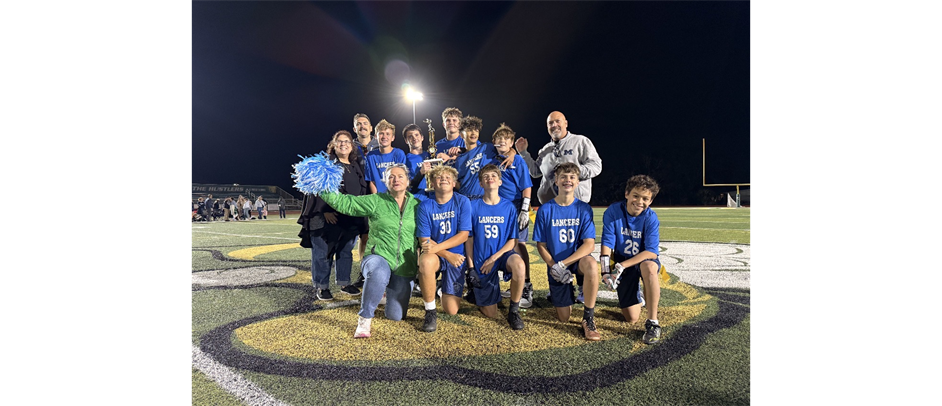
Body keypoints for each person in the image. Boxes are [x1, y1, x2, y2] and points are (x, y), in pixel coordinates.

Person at [320, 163, 421, 338]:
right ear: (385, 182)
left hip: (405, 266)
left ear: (408, 180)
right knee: (379, 272)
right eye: (391, 177)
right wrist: (321, 186)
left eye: (400, 176)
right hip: (377, 257)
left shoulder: (418, 205)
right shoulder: (376, 200)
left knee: (395, 316)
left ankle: (383, 290)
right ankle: (364, 319)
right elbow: (347, 203)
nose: (395, 180)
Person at [298, 130, 370, 301]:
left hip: (350, 218)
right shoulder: (325, 164)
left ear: (352, 146)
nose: (343, 144)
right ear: (333, 144)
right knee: (323, 253)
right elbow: (314, 190)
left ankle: (344, 283)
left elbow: (361, 190)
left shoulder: (355, 166)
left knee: (345, 251)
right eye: (340, 141)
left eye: (347, 141)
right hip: (326, 218)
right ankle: (322, 286)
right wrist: (324, 210)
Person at [532, 162, 601, 341]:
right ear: (556, 180)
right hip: (556, 265)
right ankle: (568, 290)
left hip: (576, 262)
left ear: (578, 182)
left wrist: (565, 264)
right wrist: (555, 266)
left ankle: (588, 318)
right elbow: (541, 245)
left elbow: (589, 245)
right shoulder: (546, 209)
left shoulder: (583, 208)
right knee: (563, 317)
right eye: (563, 177)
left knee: (592, 264)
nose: (567, 180)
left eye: (572, 177)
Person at [600, 174, 663, 345]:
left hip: (640, 261)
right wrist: (605, 270)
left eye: (645, 198)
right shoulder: (614, 211)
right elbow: (607, 242)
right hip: (623, 260)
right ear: (627, 193)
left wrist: (621, 266)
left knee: (649, 267)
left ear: (650, 201)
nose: (639, 201)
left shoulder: (650, 217)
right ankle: (639, 295)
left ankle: (653, 323)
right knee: (631, 318)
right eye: (636, 195)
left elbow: (651, 252)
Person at [465, 164, 527, 330]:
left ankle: (514, 311)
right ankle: (478, 292)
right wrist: (471, 269)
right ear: (481, 184)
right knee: (490, 312)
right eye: (486, 177)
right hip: (481, 258)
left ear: (500, 182)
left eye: (493, 176)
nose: (490, 178)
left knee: (519, 265)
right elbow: (468, 240)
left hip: (502, 255)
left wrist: (495, 258)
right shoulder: (472, 206)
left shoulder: (508, 207)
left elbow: (512, 241)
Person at [415, 164, 472, 332]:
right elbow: (424, 241)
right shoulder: (425, 205)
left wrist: (442, 250)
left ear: (454, 183)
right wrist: (446, 255)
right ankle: (430, 311)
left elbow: (463, 235)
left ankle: (439, 287)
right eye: (439, 177)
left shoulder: (462, 201)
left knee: (452, 310)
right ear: (432, 183)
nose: (444, 179)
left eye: (448, 177)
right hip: (438, 254)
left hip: (456, 255)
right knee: (425, 261)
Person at [515, 111, 602, 205]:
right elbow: (535, 172)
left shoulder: (580, 141)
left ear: (566, 123)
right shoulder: (545, 150)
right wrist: (523, 153)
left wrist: (573, 173)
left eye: (557, 121)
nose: (554, 125)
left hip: (575, 204)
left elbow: (596, 166)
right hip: (549, 205)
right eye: (550, 123)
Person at [491, 123, 535, 308]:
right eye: (499, 139)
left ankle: (526, 284)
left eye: (506, 139)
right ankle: (512, 282)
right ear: (493, 142)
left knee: (519, 244)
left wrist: (524, 210)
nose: (502, 142)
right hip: (499, 208)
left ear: (512, 143)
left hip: (516, 207)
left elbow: (527, 186)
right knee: (502, 244)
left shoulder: (517, 161)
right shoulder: (491, 158)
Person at [364, 119, 407, 194]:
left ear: (393, 137)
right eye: (381, 133)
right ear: (375, 137)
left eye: (388, 134)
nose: (384, 137)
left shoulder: (399, 154)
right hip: (379, 197)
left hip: (394, 195)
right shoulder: (370, 156)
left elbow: (402, 179)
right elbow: (372, 181)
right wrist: (376, 200)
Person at [402, 123, 432, 202]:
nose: (414, 138)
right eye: (410, 136)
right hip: (416, 200)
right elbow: (407, 187)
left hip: (432, 200)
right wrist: (420, 173)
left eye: (416, 135)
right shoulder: (404, 160)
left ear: (422, 137)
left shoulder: (431, 155)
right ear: (406, 141)